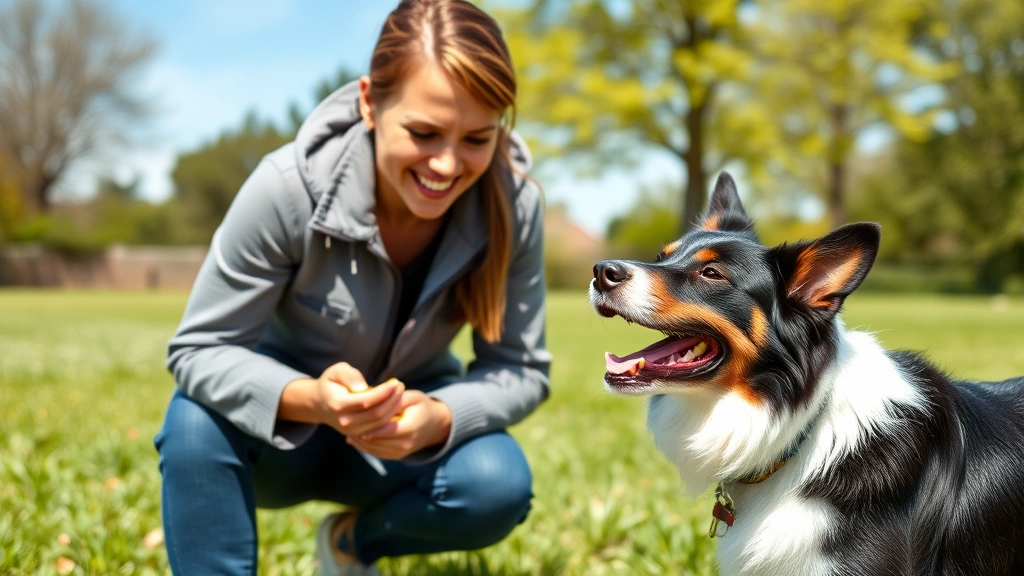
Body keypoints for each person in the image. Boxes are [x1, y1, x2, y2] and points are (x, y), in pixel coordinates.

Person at [153, 1, 551, 574]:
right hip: (283, 439)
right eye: (424, 132)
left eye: (476, 139)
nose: (446, 164)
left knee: (495, 483)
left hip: (402, 449)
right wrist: (311, 398)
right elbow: (197, 351)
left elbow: (522, 368)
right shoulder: (286, 189)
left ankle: (351, 543)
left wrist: (440, 415)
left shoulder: (516, 208)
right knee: (193, 422)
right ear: (369, 102)